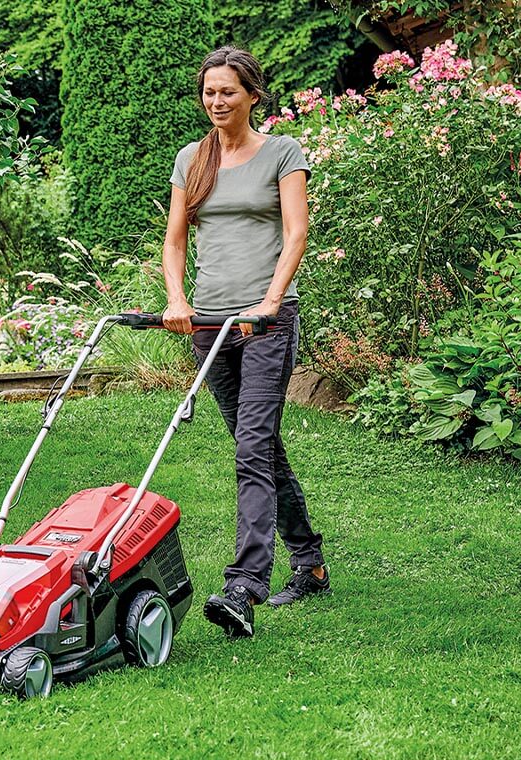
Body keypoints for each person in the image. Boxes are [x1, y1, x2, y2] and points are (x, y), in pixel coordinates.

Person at [162, 47, 330, 639]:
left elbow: (296, 232)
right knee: (256, 445)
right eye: (209, 92)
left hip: (265, 323)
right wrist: (177, 300)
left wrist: (271, 301)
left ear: (253, 94)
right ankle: (308, 562)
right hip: (207, 324)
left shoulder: (282, 153)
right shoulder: (192, 159)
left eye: (228, 92)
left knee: (253, 447)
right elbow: (176, 241)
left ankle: (245, 586)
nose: (217, 102)